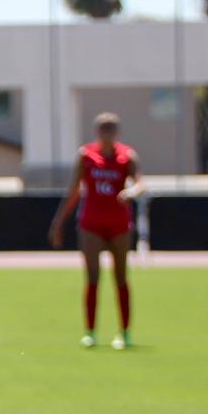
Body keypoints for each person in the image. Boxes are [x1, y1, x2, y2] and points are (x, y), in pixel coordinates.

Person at [49, 112, 143, 349]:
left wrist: (131, 192)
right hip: (91, 224)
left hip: (119, 224)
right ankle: (90, 331)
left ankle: (124, 332)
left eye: (111, 128)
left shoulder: (126, 156)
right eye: (103, 128)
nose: (107, 133)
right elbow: (73, 191)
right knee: (92, 277)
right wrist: (59, 222)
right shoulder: (86, 156)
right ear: (96, 132)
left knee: (120, 277)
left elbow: (140, 182)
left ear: (117, 132)